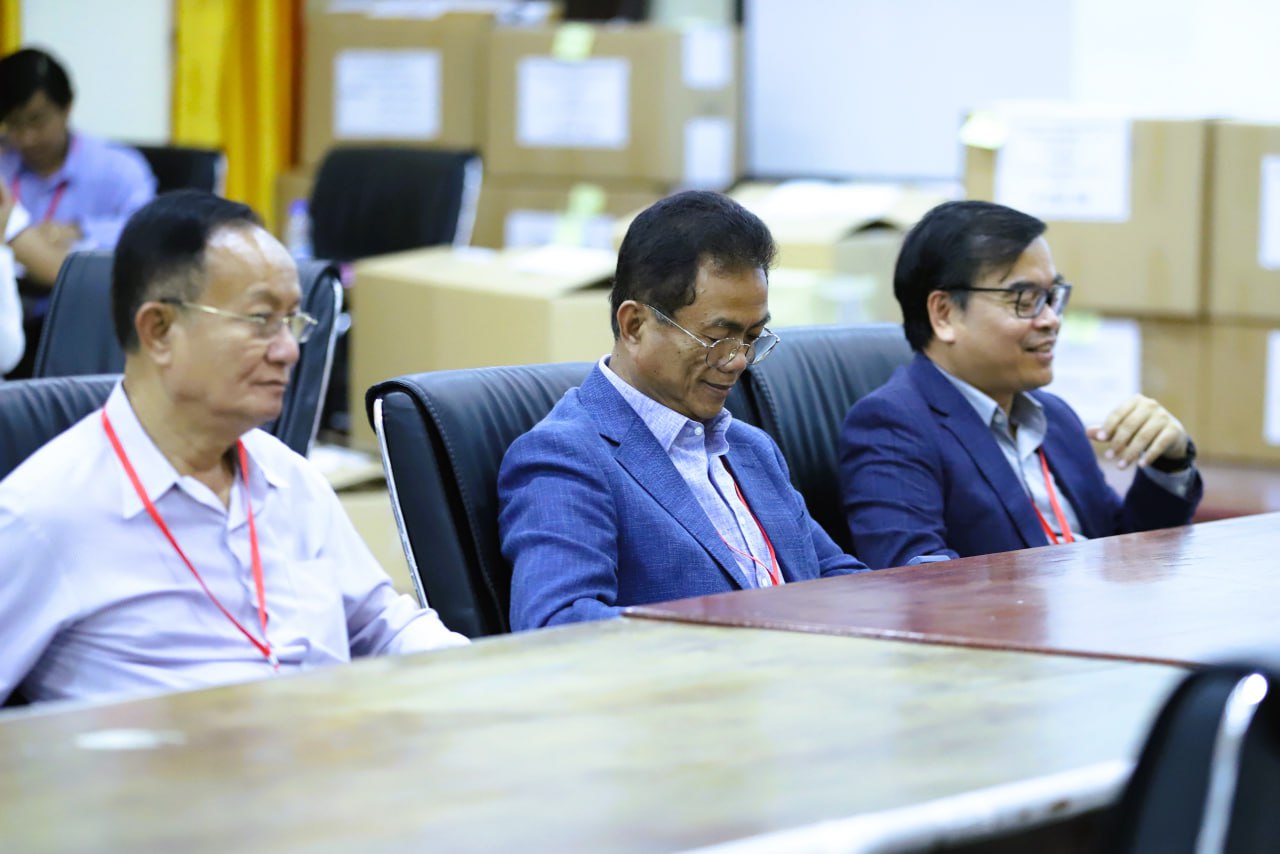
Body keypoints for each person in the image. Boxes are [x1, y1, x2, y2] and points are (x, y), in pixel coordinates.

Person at [0, 190, 466, 705]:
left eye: (292, 322)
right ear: (159, 330)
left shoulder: (289, 478)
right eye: (260, 320)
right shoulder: (42, 516)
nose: (288, 350)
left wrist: (493, 677)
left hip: (335, 746)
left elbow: (385, 625)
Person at [499, 190, 868, 630]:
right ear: (634, 325)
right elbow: (556, 626)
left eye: (753, 338)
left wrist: (920, 589)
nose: (738, 361)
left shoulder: (751, 449)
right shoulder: (566, 456)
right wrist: (749, 629)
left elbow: (834, 578)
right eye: (718, 338)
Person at [839, 200, 1202, 569]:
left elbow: (1123, 551)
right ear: (944, 314)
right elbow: (913, 580)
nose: (1051, 320)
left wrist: (1168, 464)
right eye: (1025, 300)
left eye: (1052, 297)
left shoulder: (1055, 417)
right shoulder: (892, 426)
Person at [0, 46, 156, 376]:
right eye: (13, 124)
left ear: (67, 107)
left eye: (36, 120)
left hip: (83, 332)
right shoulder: (4, 162)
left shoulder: (117, 170)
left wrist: (79, 228)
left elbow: (148, 240)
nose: (26, 138)